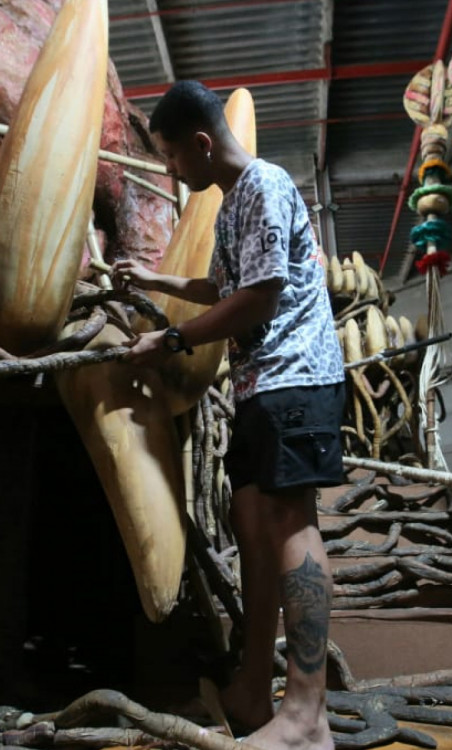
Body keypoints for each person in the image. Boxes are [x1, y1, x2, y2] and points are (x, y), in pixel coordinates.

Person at [112, 80, 343, 750]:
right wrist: (154, 280)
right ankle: (251, 688)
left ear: (203, 143)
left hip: (296, 381)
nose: (172, 172)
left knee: (287, 523)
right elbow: (223, 285)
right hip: (259, 388)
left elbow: (263, 295)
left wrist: (174, 339)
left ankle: (307, 717)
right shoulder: (231, 203)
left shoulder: (266, 185)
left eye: (175, 159)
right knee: (252, 525)